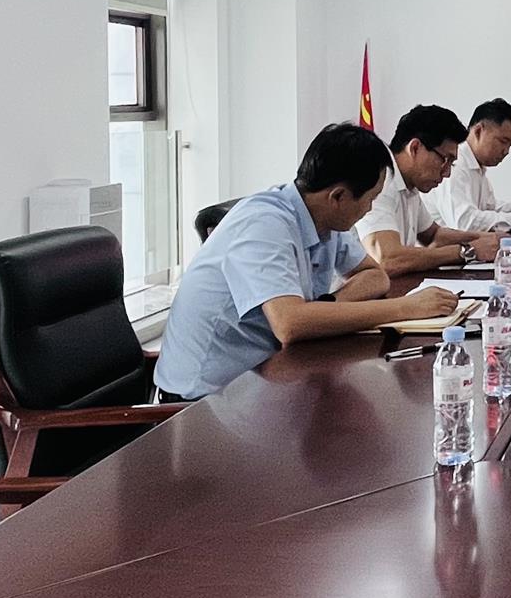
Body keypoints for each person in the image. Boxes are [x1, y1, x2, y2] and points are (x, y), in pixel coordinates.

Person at [152, 123, 458, 401]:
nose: (370, 209)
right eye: (370, 199)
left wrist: (327, 306)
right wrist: (406, 308)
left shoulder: (323, 219)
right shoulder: (265, 224)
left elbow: (375, 276)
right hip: (201, 400)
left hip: (264, 376)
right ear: (338, 197)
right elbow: (290, 324)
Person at [360, 104, 511, 275]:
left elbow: (434, 234)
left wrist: (483, 238)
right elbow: (388, 259)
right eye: (444, 160)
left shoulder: (410, 185)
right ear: (415, 148)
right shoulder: (381, 181)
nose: (447, 173)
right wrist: (467, 251)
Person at [427, 98, 511, 234]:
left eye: (510, 145)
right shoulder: (456, 166)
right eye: (503, 141)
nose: (506, 151)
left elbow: (488, 208)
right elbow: (465, 223)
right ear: (478, 131)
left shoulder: (476, 166)